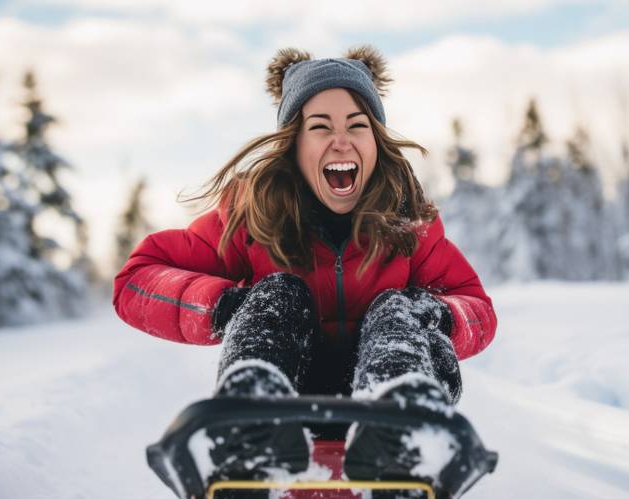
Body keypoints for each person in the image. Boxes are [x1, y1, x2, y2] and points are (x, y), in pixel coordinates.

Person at [113, 45, 497, 484]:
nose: (341, 140)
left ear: (375, 141)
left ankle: (399, 429)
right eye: (320, 127)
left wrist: (438, 315)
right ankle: (254, 418)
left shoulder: (407, 225)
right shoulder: (251, 218)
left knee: (398, 307)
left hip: (390, 408)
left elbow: (477, 306)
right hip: (285, 403)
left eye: (358, 125)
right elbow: (137, 280)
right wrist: (224, 307)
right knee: (279, 293)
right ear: (293, 144)